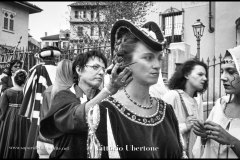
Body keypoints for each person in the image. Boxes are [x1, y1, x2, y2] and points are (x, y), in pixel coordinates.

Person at [87, 19, 183, 159]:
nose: (157, 65)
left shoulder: (167, 110)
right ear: (126, 62)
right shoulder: (105, 112)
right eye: (148, 58)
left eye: (159, 58)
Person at [40, 49, 133, 158]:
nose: (101, 72)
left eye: (103, 69)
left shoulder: (107, 99)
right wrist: (108, 90)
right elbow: (76, 117)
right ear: (79, 69)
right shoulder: (64, 96)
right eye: (95, 67)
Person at [192, 46, 240, 158]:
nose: (223, 77)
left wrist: (230, 140)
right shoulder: (220, 105)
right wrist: (205, 135)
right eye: (222, 71)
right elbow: (205, 146)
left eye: (231, 71)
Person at [18, 46, 61, 158]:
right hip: (59, 107)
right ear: (55, 58)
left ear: (42, 57)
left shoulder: (37, 69)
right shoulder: (61, 70)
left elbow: (27, 89)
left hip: (40, 107)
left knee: (37, 134)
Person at [162, 59, 208, 158]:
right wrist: (185, 126)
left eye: (205, 75)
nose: (205, 78)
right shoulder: (172, 96)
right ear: (186, 75)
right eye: (200, 74)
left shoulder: (196, 101)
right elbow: (159, 129)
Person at [37, 59, 74, 158]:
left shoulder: (48, 91)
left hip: (43, 139)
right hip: (59, 142)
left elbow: (43, 115)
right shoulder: (72, 92)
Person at [0, 69, 29, 158]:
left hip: (10, 115)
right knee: (24, 134)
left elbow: (3, 107)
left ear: (14, 79)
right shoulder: (27, 92)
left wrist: (2, 118)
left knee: (9, 133)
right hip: (24, 114)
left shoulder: (7, 91)